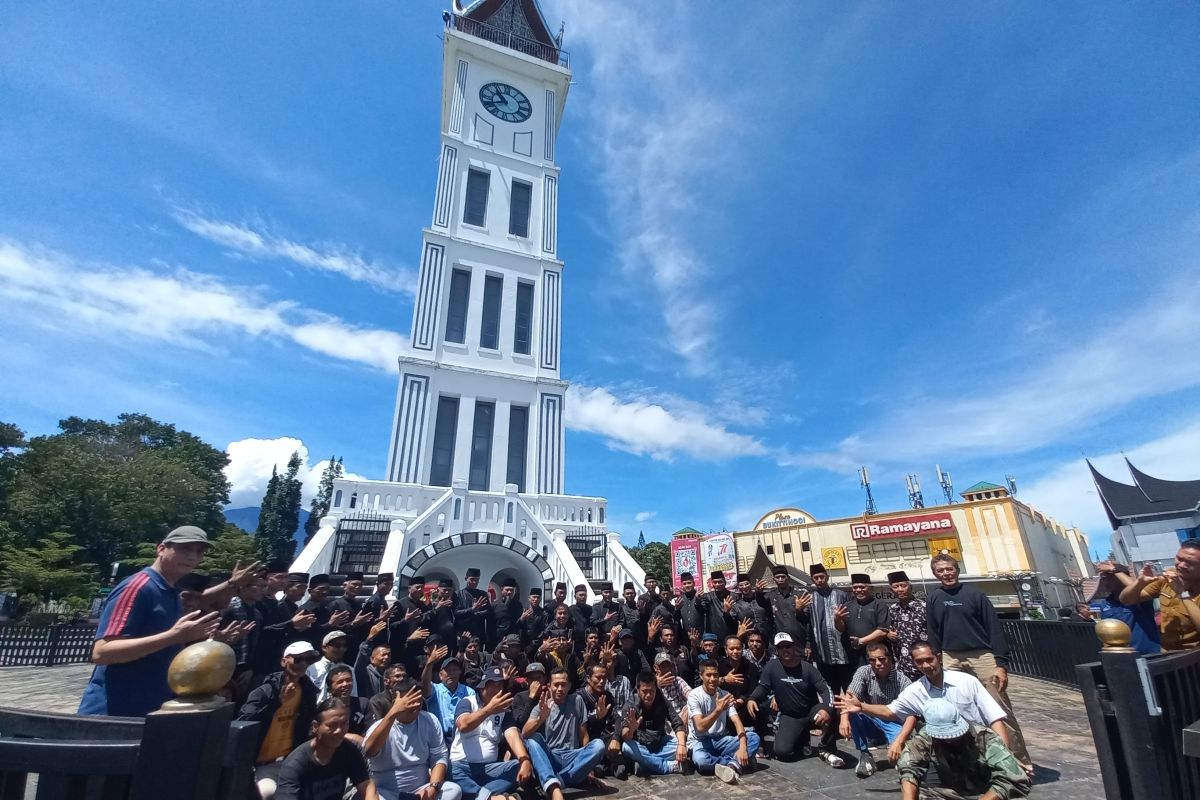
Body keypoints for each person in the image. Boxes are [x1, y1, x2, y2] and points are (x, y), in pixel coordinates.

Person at [79, 525, 253, 716]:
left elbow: (166, 644)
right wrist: (173, 636)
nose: (193, 556)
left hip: (153, 707)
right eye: (185, 548)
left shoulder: (172, 592)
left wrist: (211, 643)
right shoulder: (139, 587)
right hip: (114, 712)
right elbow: (102, 652)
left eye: (199, 551)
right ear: (161, 548)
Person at [925, 555, 1031, 772]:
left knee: (999, 708)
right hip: (950, 657)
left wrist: (1001, 663)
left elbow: (994, 628)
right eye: (941, 571)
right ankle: (968, 759)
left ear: (957, 570)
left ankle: (1019, 761)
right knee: (954, 708)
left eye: (949, 569)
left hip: (982, 655)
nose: (946, 573)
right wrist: (936, 656)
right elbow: (933, 630)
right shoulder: (934, 597)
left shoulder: (975, 595)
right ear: (935, 574)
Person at [835, 641, 1011, 753]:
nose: (926, 665)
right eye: (919, 662)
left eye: (929, 659)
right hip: (943, 746)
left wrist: (1005, 756)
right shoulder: (917, 689)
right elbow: (890, 710)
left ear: (939, 658)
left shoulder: (967, 681)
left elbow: (995, 718)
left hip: (976, 743)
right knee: (910, 770)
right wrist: (861, 707)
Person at [449, 666, 563, 800]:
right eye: (492, 685)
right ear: (482, 687)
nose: (497, 689)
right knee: (450, 771)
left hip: (489, 768)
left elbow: (513, 735)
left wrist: (524, 759)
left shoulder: (504, 710)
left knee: (517, 767)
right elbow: (463, 725)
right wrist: (489, 709)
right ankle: (490, 797)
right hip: (462, 766)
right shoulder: (467, 702)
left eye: (500, 685)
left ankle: (479, 795)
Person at [897, 698, 1031, 800]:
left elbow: (1013, 779)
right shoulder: (924, 738)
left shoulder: (984, 737)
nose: (949, 739)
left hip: (988, 794)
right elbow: (909, 770)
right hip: (952, 793)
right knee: (921, 794)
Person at [239, 640, 321, 799]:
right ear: (284, 661)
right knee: (267, 793)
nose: (303, 664)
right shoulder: (265, 691)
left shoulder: (308, 693)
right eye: (298, 659)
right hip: (262, 764)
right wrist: (277, 703)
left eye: (308, 660)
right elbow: (245, 721)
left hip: (291, 760)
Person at [748, 632, 842, 767]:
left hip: (811, 713)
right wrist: (752, 698)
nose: (785, 650)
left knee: (835, 711)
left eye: (788, 646)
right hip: (791, 716)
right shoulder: (772, 667)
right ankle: (802, 739)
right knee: (782, 752)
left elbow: (825, 689)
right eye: (781, 647)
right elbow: (763, 687)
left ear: (794, 647)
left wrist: (827, 709)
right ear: (776, 650)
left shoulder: (807, 667)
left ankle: (826, 748)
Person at [363, 679, 461, 800]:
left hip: (420, 790)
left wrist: (433, 788)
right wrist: (393, 713)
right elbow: (369, 751)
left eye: (418, 700)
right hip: (388, 792)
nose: (415, 705)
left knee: (453, 790)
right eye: (410, 700)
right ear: (395, 701)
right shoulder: (378, 726)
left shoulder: (430, 720)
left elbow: (439, 756)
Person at [274, 697, 378, 800]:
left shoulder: (350, 750)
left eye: (344, 724)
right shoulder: (295, 764)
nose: (339, 730)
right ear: (315, 726)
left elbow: (368, 787)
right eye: (332, 725)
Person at [839, 642, 915, 777]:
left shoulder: (903, 680)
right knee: (854, 711)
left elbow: (912, 714)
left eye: (881, 659)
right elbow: (850, 697)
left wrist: (900, 740)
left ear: (890, 659)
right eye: (873, 660)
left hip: (895, 722)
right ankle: (865, 755)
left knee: (904, 760)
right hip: (872, 718)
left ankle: (895, 746)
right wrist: (844, 720)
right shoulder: (863, 671)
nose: (878, 663)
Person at [522, 667, 607, 788]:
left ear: (569, 686)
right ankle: (554, 779)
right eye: (556, 685)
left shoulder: (577, 700)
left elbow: (583, 734)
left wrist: (588, 768)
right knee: (533, 739)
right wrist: (541, 718)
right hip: (552, 756)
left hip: (573, 757)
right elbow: (524, 733)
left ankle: (559, 780)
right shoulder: (543, 705)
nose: (560, 689)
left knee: (599, 745)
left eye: (563, 685)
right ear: (549, 686)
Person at [686, 661, 760, 784]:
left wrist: (742, 747)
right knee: (701, 761)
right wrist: (718, 709)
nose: (712, 679)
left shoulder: (724, 695)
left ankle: (732, 764)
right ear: (701, 676)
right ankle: (736, 761)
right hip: (699, 741)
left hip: (720, 740)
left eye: (715, 675)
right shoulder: (694, 696)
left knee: (753, 738)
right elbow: (700, 727)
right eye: (708, 675)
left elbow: (737, 722)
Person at [1118, 541, 1200, 652]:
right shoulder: (1167, 578)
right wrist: (1140, 582)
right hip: (1167, 652)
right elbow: (1126, 600)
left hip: (1194, 656)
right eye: (1179, 559)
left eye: (1189, 562)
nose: (1181, 565)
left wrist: (1182, 593)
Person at [617, 671, 692, 776]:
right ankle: (667, 767)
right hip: (640, 745)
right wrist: (631, 729)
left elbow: (677, 723)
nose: (648, 695)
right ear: (638, 690)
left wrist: (681, 745)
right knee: (626, 747)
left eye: (652, 691)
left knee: (686, 745)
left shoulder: (662, 701)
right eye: (644, 691)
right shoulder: (630, 705)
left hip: (659, 743)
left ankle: (645, 764)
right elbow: (625, 736)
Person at [1089, 561, 1160, 654]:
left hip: (1149, 654)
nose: (1105, 580)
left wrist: (1114, 570)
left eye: (1109, 576)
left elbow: (1140, 587)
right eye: (1103, 577)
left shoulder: (1139, 597)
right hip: (1122, 657)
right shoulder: (1105, 604)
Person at [806, 563, 853, 694]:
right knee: (831, 690)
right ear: (812, 580)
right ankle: (835, 714)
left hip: (843, 651)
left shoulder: (841, 595)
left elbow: (849, 619)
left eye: (822, 577)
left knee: (849, 689)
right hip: (822, 653)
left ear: (827, 577)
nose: (820, 580)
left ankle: (850, 714)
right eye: (816, 578)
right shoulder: (810, 598)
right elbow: (806, 623)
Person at [838, 573, 889, 670]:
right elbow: (841, 628)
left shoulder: (880, 605)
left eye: (862, 587)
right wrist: (837, 619)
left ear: (870, 588)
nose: (858, 590)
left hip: (875, 655)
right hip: (852, 655)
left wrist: (861, 641)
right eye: (855, 587)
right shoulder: (847, 605)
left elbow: (882, 631)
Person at [756, 564, 812, 649]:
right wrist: (758, 592)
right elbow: (761, 603)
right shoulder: (771, 595)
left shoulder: (800, 594)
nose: (780, 579)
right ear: (773, 579)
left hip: (799, 641)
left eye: (783, 577)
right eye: (777, 577)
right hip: (779, 641)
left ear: (788, 578)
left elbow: (809, 621)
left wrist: (808, 644)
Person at [886, 570, 928, 680]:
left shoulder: (924, 606)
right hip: (903, 664)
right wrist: (888, 634)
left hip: (925, 662)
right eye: (896, 587)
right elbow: (888, 630)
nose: (900, 589)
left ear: (910, 586)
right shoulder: (892, 610)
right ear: (891, 590)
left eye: (903, 586)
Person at [426, 655, 476, 744]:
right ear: (440, 675)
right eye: (448, 670)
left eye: (455, 669)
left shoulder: (469, 692)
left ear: (460, 673)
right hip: (438, 739)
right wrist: (429, 665)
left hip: (463, 738)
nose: (451, 673)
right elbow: (424, 685)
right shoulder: (434, 689)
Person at [326, 664, 373, 739]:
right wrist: (351, 737)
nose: (345, 684)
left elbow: (371, 731)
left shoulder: (363, 704)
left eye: (348, 680)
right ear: (330, 690)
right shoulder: (325, 708)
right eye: (340, 682)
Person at [310, 630, 356, 702]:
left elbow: (353, 694)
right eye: (337, 645)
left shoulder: (349, 669)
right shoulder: (312, 669)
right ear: (324, 648)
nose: (342, 649)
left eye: (344, 645)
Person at [455, 568, 491, 645]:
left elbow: (488, 612)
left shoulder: (483, 594)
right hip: (463, 633)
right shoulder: (458, 595)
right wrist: (472, 610)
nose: (474, 582)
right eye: (472, 579)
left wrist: (476, 613)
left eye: (477, 580)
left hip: (478, 633)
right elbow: (456, 613)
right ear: (466, 578)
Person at [491, 578, 523, 648]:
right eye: (507, 590)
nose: (509, 592)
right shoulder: (494, 605)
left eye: (511, 590)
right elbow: (490, 626)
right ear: (502, 589)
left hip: (512, 642)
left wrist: (522, 619)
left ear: (515, 591)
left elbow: (518, 626)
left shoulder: (518, 606)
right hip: (496, 642)